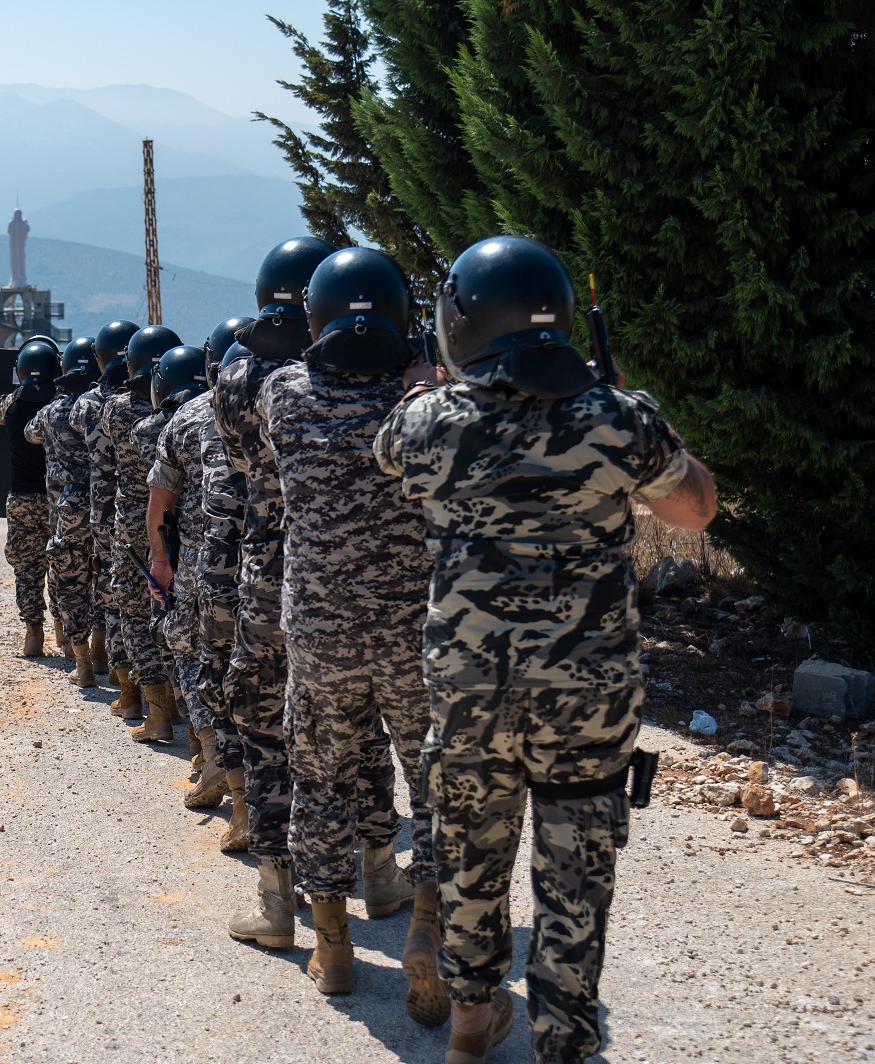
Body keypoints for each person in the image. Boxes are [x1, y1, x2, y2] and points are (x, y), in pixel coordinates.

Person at [375, 235, 717, 1064]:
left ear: (462, 322)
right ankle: (560, 1041)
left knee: (468, 859)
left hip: (470, 689)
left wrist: (432, 386)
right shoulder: (618, 418)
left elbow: (391, 456)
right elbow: (695, 510)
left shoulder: (426, 422)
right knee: (574, 879)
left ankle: (469, 1022)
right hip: (587, 696)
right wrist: (634, 411)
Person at [259, 247, 440, 1017]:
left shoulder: (282, 392)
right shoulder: (425, 406)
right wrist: (425, 381)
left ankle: (332, 947)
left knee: (321, 780)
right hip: (413, 627)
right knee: (433, 783)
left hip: (320, 629)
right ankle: (426, 924)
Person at [212, 237, 350, 950]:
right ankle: (377, 870)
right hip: (346, 576)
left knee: (266, 733)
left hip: (267, 572)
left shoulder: (241, 377)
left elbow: (241, 463)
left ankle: (276, 901)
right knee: (347, 735)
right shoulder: (373, 369)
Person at [146, 343, 231, 803]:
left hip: (202, 560)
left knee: (189, 648)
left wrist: (160, 562)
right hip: (270, 559)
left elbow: (160, 502)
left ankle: (211, 751)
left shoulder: (187, 416)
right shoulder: (283, 400)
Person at [102, 324, 183, 737]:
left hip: (135, 526)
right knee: (178, 613)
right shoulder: (192, 415)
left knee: (134, 611)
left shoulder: (117, 411)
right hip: (182, 526)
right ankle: (184, 705)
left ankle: (154, 710)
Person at [194, 330, 254, 851]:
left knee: (223, 681)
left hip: (224, 575)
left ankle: (241, 803)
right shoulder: (303, 404)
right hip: (282, 579)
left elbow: (160, 495)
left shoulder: (197, 416)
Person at [72, 320, 140, 706]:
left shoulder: (90, 403)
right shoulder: (146, 398)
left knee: (113, 587)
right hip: (149, 504)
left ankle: (120, 673)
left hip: (105, 506)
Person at [25, 336, 99, 685]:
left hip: (67, 512)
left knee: (70, 581)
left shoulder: (53, 412)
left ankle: (82, 664)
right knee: (109, 579)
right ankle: (106, 654)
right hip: (106, 508)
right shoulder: (104, 407)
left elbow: (29, 434)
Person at [0, 338, 62, 656]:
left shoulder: (10, 403)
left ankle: (33, 632)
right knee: (64, 564)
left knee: (27, 568)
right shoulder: (63, 402)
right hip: (59, 499)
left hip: (21, 498)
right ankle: (64, 630)